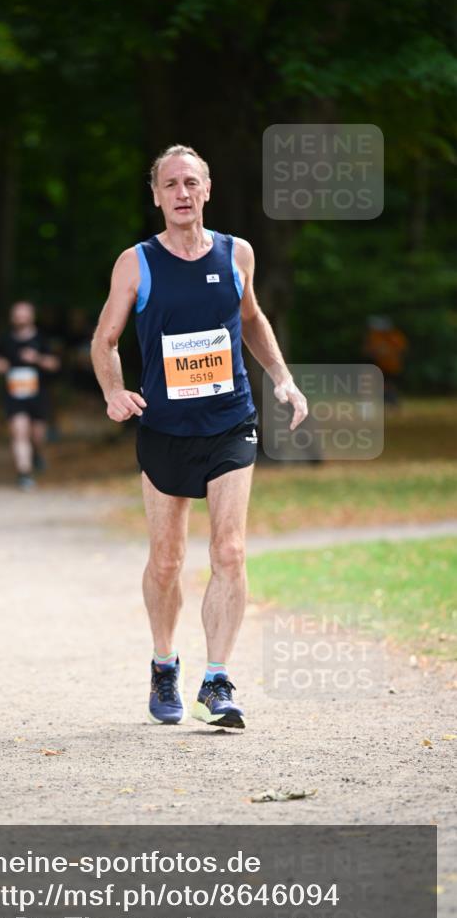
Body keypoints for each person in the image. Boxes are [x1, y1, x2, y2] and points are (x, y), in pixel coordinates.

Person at [91, 144, 307, 729]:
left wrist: (282, 379)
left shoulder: (238, 253)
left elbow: (253, 319)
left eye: (191, 182)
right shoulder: (136, 263)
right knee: (166, 561)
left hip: (231, 422)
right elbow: (105, 340)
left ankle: (217, 679)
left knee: (230, 550)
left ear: (207, 190)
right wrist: (114, 392)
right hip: (164, 428)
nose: (182, 193)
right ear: (156, 195)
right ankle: (165, 665)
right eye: (170, 184)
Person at [0, 301, 60, 489]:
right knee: (19, 433)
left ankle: (37, 453)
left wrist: (37, 358)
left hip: (38, 394)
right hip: (14, 394)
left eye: (24, 314)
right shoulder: (5, 339)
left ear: (32, 316)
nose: (20, 317)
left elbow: (55, 364)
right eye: (16, 314)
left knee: (37, 435)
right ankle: (24, 473)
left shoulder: (42, 339)